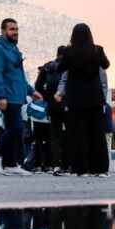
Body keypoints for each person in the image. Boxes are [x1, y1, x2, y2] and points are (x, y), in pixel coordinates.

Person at [0, 19, 45, 176]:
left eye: (17, 29)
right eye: (12, 29)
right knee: (16, 127)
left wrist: (31, 91)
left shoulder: (14, 50)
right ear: (3, 31)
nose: (15, 32)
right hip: (8, 96)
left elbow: (19, 76)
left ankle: (10, 164)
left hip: (17, 97)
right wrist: (1, 96)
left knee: (14, 130)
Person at [54, 24, 110, 177]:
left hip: (75, 98)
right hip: (94, 97)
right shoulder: (97, 50)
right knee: (97, 133)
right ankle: (100, 168)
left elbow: (60, 68)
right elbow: (106, 64)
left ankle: (81, 168)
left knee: (78, 134)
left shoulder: (68, 52)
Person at [36, 46, 69, 176]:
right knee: (68, 135)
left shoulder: (47, 67)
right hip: (67, 105)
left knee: (55, 136)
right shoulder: (68, 67)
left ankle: (55, 165)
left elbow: (38, 86)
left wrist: (48, 98)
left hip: (52, 105)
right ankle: (66, 165)